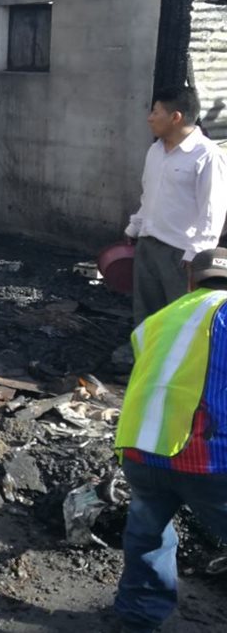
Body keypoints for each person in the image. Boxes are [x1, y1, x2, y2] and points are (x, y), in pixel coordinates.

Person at [113, 247, 227, 632]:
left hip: (142, 447)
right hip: (207, 459)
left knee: (148, 535)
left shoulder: (158, 319)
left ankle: (138, 619)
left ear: (191, 281)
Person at [126, 86, 227, 325]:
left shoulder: (207, 156)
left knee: (179, 317)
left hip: (181, 255)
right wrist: (135, 227)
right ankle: (146, 357)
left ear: (176, 117)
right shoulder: (155, 150)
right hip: (148, 245)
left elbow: (212, 211)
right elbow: (148, 195)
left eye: (155, 112)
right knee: (146, 312)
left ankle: (173, 362)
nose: (149, 118)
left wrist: (196, 255)